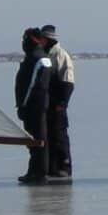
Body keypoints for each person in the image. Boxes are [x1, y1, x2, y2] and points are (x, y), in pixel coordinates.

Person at [39, 25, 76, 181]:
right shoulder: (46, 54)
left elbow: (68, 81)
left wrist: (62, 103)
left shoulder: (60, 55)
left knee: (59, 136)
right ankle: (53, 167)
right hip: (48, 103)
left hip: (58, 104)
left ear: (48, 39)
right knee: (50, 135)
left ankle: (64, 166)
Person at [16, 27, 53, 184]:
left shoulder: (38, 59)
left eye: (24, 40)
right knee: (34, 140)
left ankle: (39, 172)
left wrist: (23, 105)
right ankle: (34, 170)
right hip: (33, 105)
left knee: (38, 140)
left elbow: (33, 85)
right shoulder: (34, 57)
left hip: (34, 106)